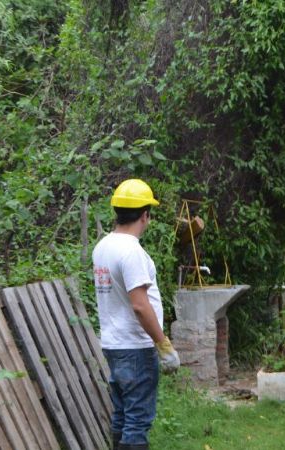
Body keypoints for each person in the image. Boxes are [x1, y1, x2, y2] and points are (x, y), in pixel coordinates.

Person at [93, 179, 180, 450]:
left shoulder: (103, 247)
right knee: (137, 422)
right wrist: (163, 345)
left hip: (113, 345)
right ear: (145, 215)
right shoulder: (131, 252)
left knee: (122, 416)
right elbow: (140, 306)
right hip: (135, 349)